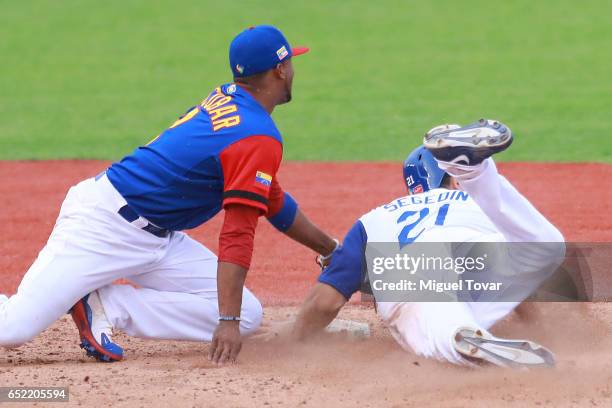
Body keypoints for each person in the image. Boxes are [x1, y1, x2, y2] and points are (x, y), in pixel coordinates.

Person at [0, 25, 338, 365]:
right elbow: (237, 232)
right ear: (280, 69)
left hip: (158, 240)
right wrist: (227, 323)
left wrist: (330, 250)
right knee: (13, 328)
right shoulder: (256, 135)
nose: (293, 70)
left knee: (247, 315)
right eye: (290, 63)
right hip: (103, 225)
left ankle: (107, 306)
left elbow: (272, 200)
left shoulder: (229, 99)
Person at [286, 120, 565, 368]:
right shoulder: (474, 203)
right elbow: (520, 290)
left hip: (414, 273)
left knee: (434, 324)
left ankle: (458, 338)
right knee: (544, 247)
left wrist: (294, 340)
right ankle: (476, 171)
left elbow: (325, 302)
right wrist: (537, 326)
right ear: (451, 181)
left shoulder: (374, 220)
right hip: (481, 256)